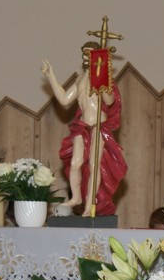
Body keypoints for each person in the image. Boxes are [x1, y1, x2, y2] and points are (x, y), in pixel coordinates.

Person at [41, 42, 127, 217]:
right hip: (81, 126)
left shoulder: (104, 78)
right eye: (84, 53)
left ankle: (90, 205)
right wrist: (51, 76)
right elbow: (64, 99)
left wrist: (101, 83)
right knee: (75, 163)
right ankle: (77, 198)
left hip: (98, 125)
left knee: (94, 165)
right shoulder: (80, 79)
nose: (86, 56)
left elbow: (110, 101)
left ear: (97, 56)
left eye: (90, 53)